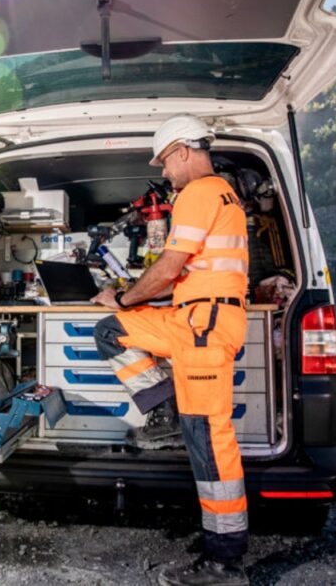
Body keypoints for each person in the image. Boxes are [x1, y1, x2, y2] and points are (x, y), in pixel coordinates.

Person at [91, 114, 250, 586]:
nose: (164, 172)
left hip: (204, 327)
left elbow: (169, 267)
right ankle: (164, 414)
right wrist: (129, 302)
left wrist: (123, 295)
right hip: (193, 319)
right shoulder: (221, 194)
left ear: (182, 150)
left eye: (164, 161)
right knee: (111, 332)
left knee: (209, 441)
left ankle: (224, 561)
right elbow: (181, 274)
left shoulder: (199, 192)